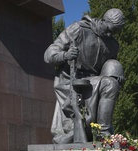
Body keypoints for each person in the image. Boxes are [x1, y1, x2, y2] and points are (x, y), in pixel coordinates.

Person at [44, 9, 126, 144]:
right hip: (72, 81)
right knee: (108, 84)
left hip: (93, 82)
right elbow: (49, 54)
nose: (110, 34)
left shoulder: (113, 44)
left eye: (115, 31)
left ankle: (103, 133)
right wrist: (65, 55)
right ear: (104, 20)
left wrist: (116, 76)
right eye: (110, 29)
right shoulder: (78, 29)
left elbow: (106, 69)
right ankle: (102, 132)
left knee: (111, 83)